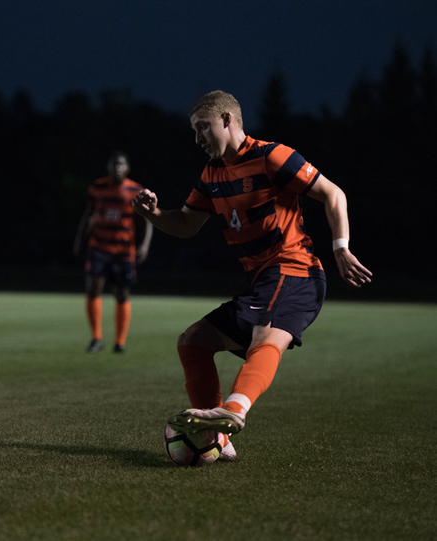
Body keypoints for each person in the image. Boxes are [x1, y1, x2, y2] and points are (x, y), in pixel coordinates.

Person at [132, 90, 372, 459]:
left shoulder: (270, 156)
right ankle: (218, 437)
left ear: (227, 119)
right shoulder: (212, 174)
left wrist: (341, 246)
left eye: (203, 128)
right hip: (262, 281)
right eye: (194, 132)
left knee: (266, 336)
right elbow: (186, 224)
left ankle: (232, 412)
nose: (198, 139)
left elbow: (332, 193)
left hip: (295, 271)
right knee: (193, 341)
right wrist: (152, 213)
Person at [74, 151, 153, 354]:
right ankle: (96, 338)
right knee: (93, 289)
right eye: (113, 165)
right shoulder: (97, 188)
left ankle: (119, 342)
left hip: (123, 250)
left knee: (121, 294)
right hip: (98, 247)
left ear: (126, 168)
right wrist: (80, 239)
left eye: (121, 165)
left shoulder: (136, 190)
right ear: (108, 168)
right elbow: (89, 214)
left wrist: (143, 246)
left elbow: (147, 220)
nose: (117, 168)